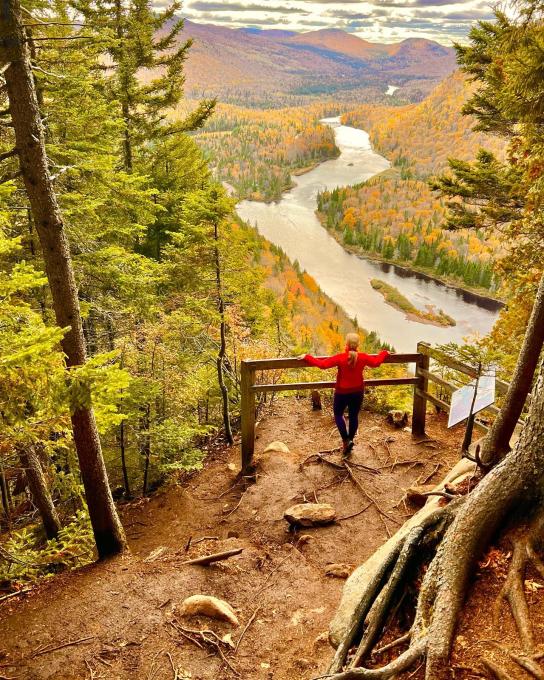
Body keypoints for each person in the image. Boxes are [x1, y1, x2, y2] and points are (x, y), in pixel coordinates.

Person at [302, 334, 390, 456]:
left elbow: (322, 365)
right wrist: (384, 353)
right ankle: (350, 440)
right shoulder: (363, 357)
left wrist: (307, 357)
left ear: (346, 345)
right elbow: (376, 363)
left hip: (342, 392)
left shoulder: (341, 358)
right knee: (354, 416)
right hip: (358, 392)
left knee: (338, 415)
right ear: (358, 345)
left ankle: (345, 441)